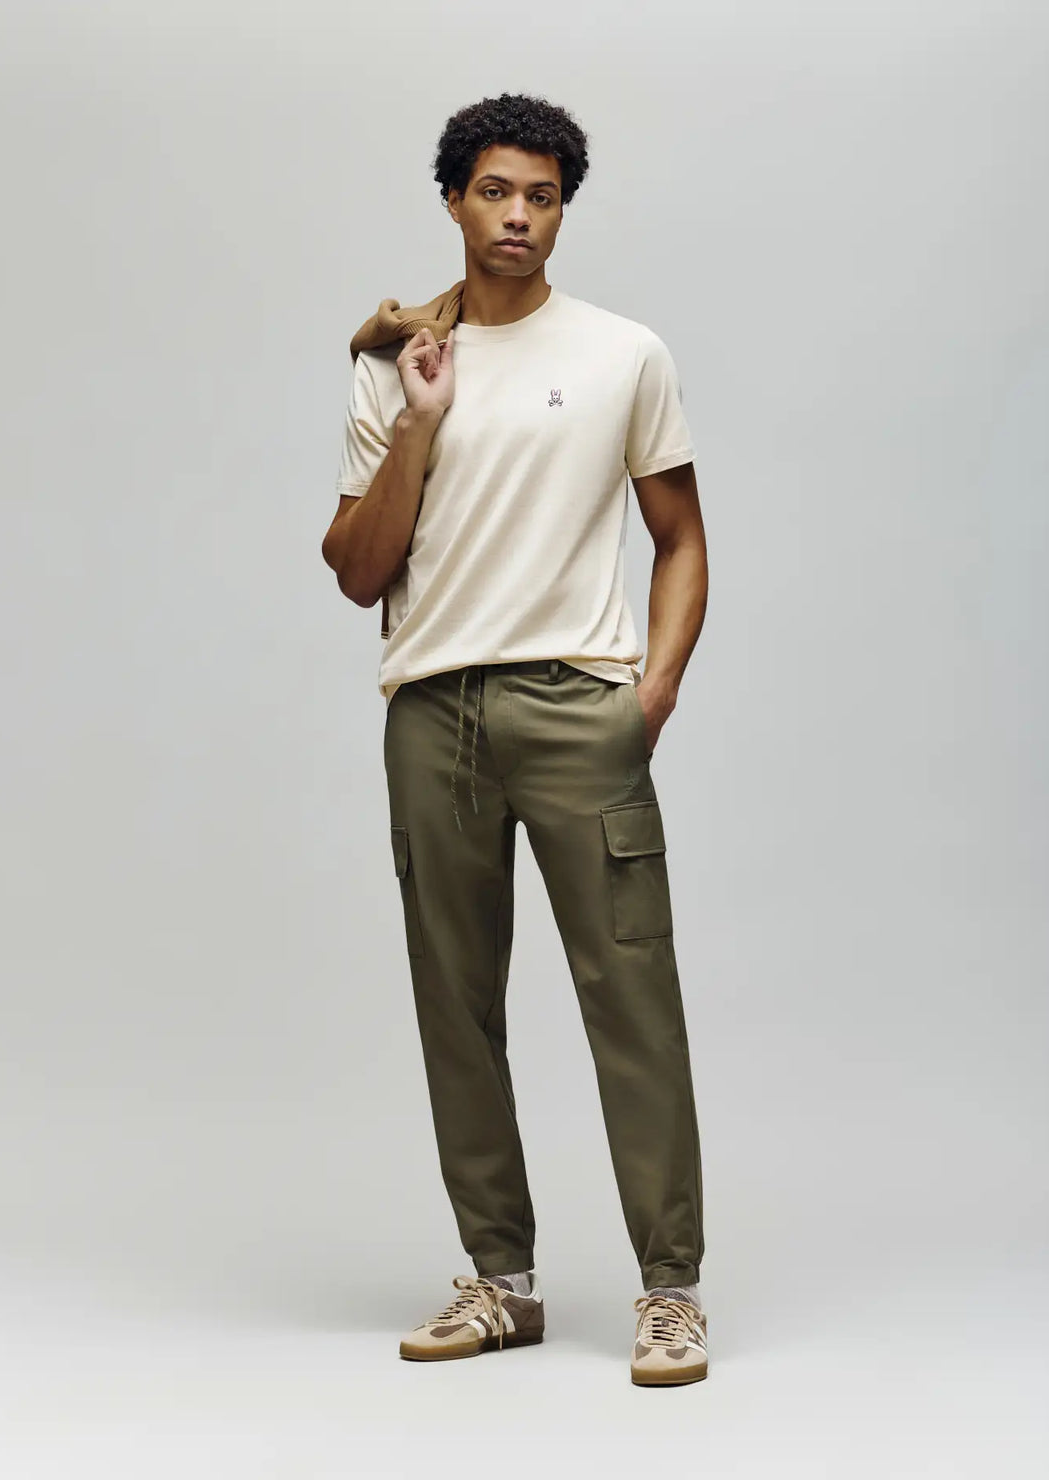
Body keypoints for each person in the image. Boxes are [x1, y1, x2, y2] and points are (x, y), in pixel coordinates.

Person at [322, 92, 710, 1387]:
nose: (518, 217)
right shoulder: (398, 360)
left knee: (633, 999)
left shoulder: (623, 355)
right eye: (495, 191)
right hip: (433, 713)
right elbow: (356, 569)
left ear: (561, 212)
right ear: (454, 200)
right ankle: (502, 1283)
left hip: (576, 710)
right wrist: (420, 419)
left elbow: (681, 538)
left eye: (542, 197)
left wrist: (650, 695)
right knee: (456, 1005)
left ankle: (670, 1291)